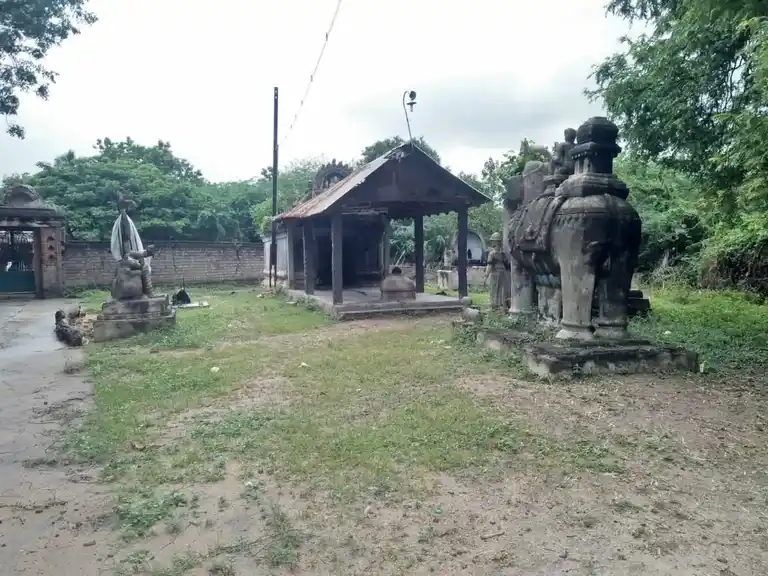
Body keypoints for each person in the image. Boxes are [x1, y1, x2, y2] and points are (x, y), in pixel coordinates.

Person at [484, 232, 510, 311]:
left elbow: (489, 265)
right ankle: (501, 305)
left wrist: (485, 276)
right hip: (503, 273)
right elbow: (507, 265)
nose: (492, 242)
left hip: (494, 273)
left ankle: (493, 305)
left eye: (492, 241)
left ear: (495, 242)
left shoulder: (492, 254)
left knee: (494, 289)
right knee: (501, 289)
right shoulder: (502, 254)